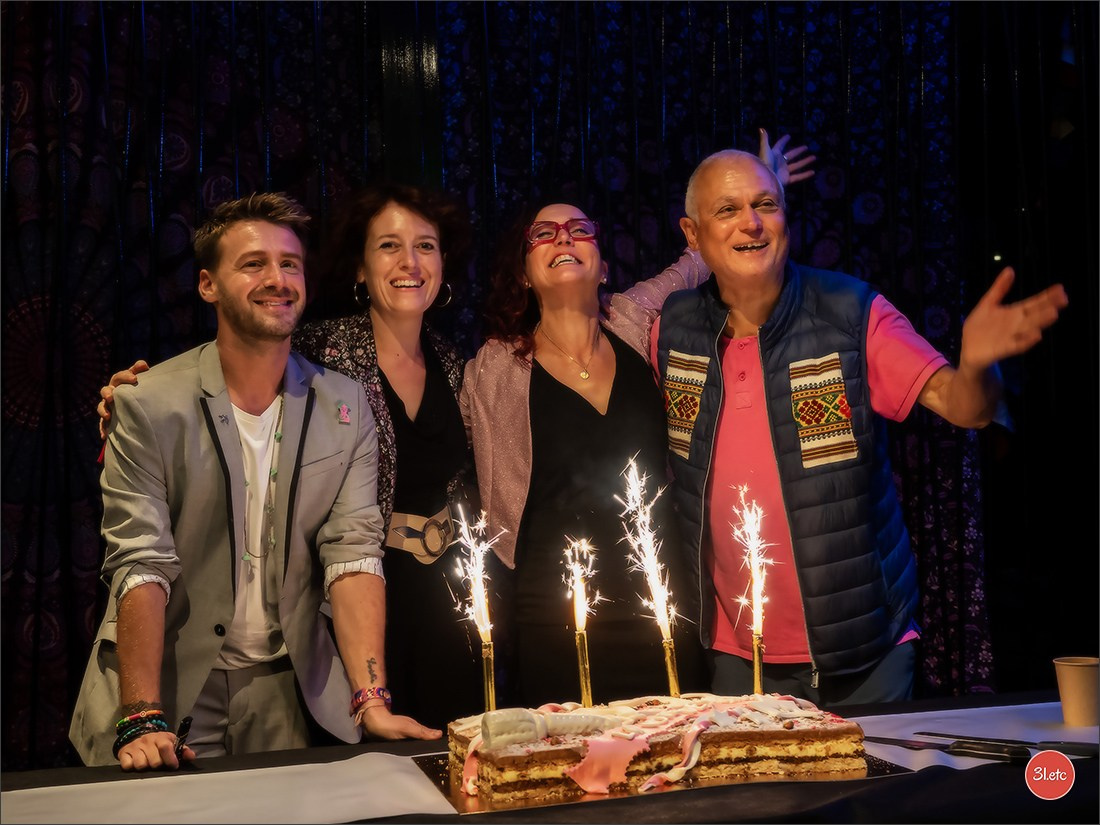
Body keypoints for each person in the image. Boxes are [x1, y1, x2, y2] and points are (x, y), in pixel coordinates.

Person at [646, 149, 1069, 705]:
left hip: (865, 654)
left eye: (765, 204)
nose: (751, 222)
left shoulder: (850, 312)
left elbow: (966, 407)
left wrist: (978, 365)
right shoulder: (670, 332)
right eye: (727, 210)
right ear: (693, 233)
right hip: (738, 659)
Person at [95, 184, 486, 733]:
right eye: (389, 246)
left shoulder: (453, 361)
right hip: (299, 622)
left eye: (425, 245)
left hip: (419, 600)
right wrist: (131, 399)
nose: (410, 262)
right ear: (357, 266)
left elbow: (461, 486)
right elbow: (143, 555)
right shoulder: (318, 351)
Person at [460, 133, 814, 708]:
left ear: (602, 265)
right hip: (555, 612)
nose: (563, 239)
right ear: (523, 273)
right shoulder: (495, 368)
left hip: (662, 600)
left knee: (672, 766)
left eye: (579, 230)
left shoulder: (634, 321)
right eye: (543, 235)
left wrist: (763, 185)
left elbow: (698, 261)